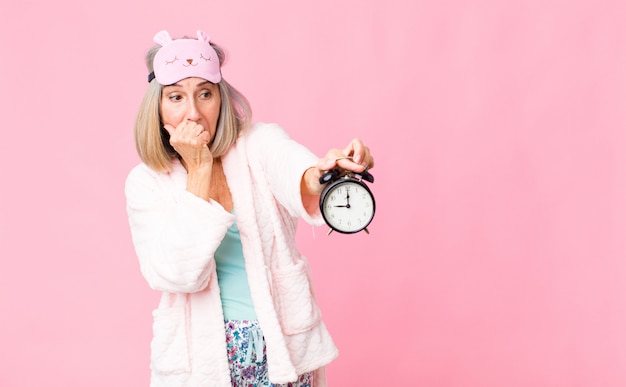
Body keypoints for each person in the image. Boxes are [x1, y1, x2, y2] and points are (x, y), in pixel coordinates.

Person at [125, 29, 375, 387]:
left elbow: (294, 171)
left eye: (205, 94)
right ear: (158, 107)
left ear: (221, 100)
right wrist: (198, 171)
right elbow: (177, 274)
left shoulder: (257, 143)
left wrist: (324, 172)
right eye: (176, 97)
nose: (193, 113)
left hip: (279, 348)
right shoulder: (147, 182)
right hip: (202, 359)